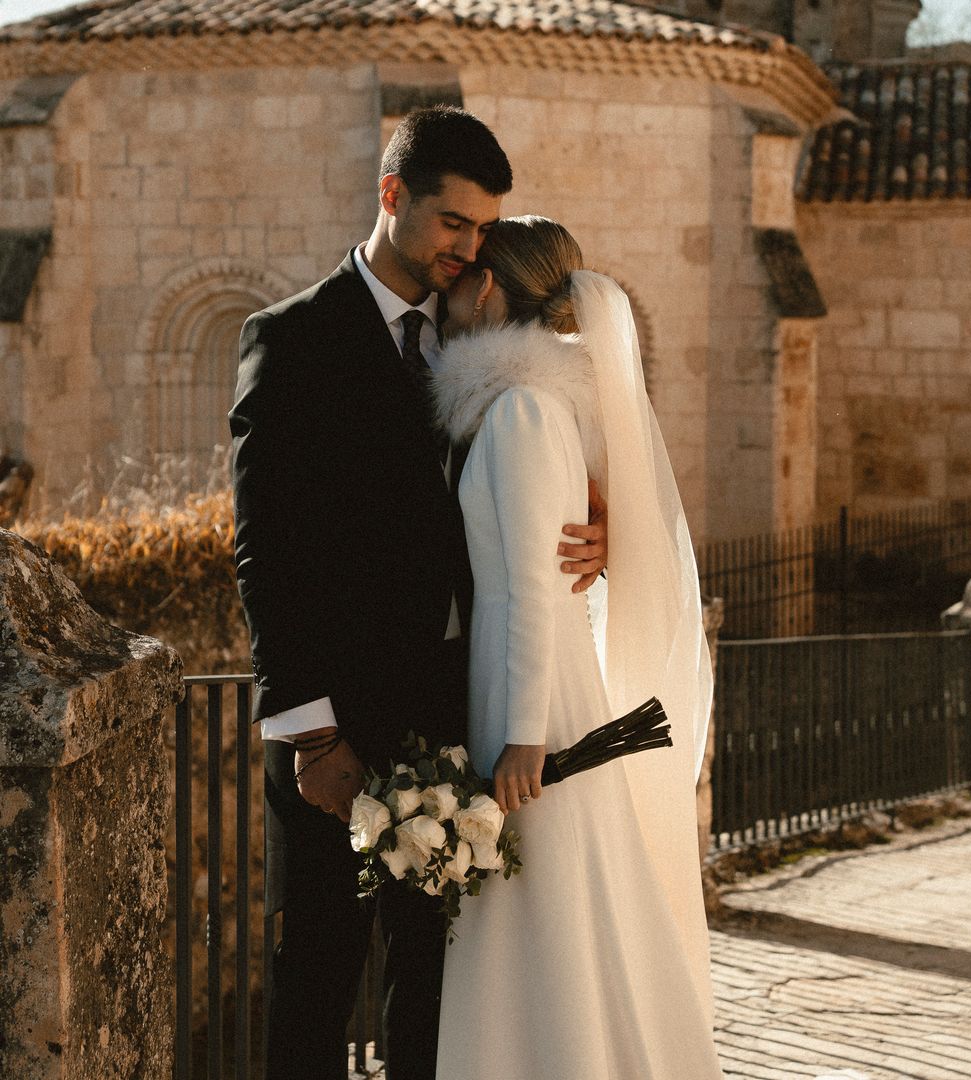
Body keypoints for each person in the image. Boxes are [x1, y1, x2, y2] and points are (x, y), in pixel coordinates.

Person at [229, 111, 605, 1080]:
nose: (469, 248)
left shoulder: (477, 337)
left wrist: (598, 521)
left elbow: (528, 480)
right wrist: (312, 737)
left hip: (448, 711)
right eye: (453, 222)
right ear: (392, 195)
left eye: (483, 230)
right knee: (316, 978)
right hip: (335, 731)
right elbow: (265, 552)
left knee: (434, 987)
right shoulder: (292, 339)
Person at [432, 217, 723, 1079]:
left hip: (533, 694)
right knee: (555, 902)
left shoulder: (520, 410)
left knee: (548, 898)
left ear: (488, 287)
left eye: (465, 274)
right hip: (528, 677)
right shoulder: (535, 404)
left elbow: (531, 583)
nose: (450, 285)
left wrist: (525, 734)